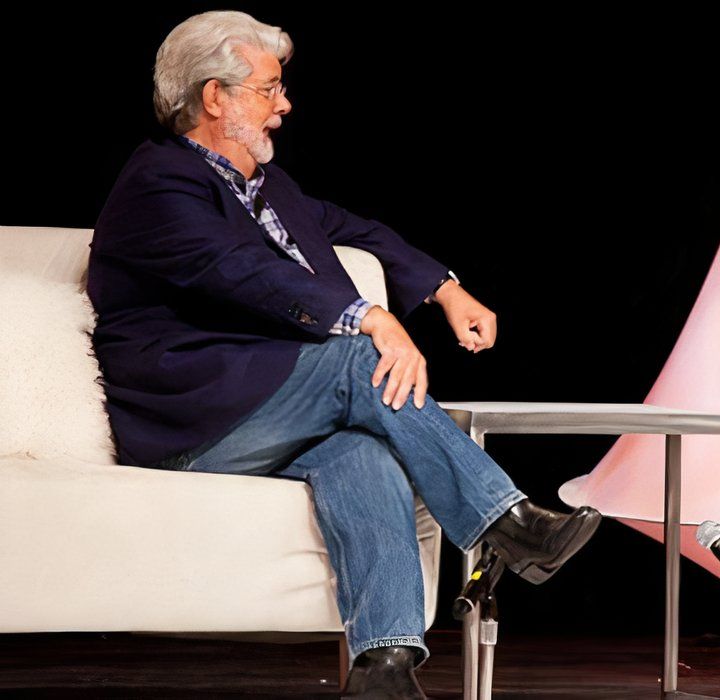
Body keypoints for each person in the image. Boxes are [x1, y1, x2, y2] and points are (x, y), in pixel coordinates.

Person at [86, 11, 600, 699]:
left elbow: (358, 231)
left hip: (266, 411)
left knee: (365, 450)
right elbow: (240, 270)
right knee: (363, 362)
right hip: (193, 420)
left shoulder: (272, 190)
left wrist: (446, 290)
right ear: (216, 97)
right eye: (269, 89)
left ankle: (382, 668)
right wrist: (371, 318)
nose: (284, 105)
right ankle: (506, 524)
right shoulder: (159, 183)